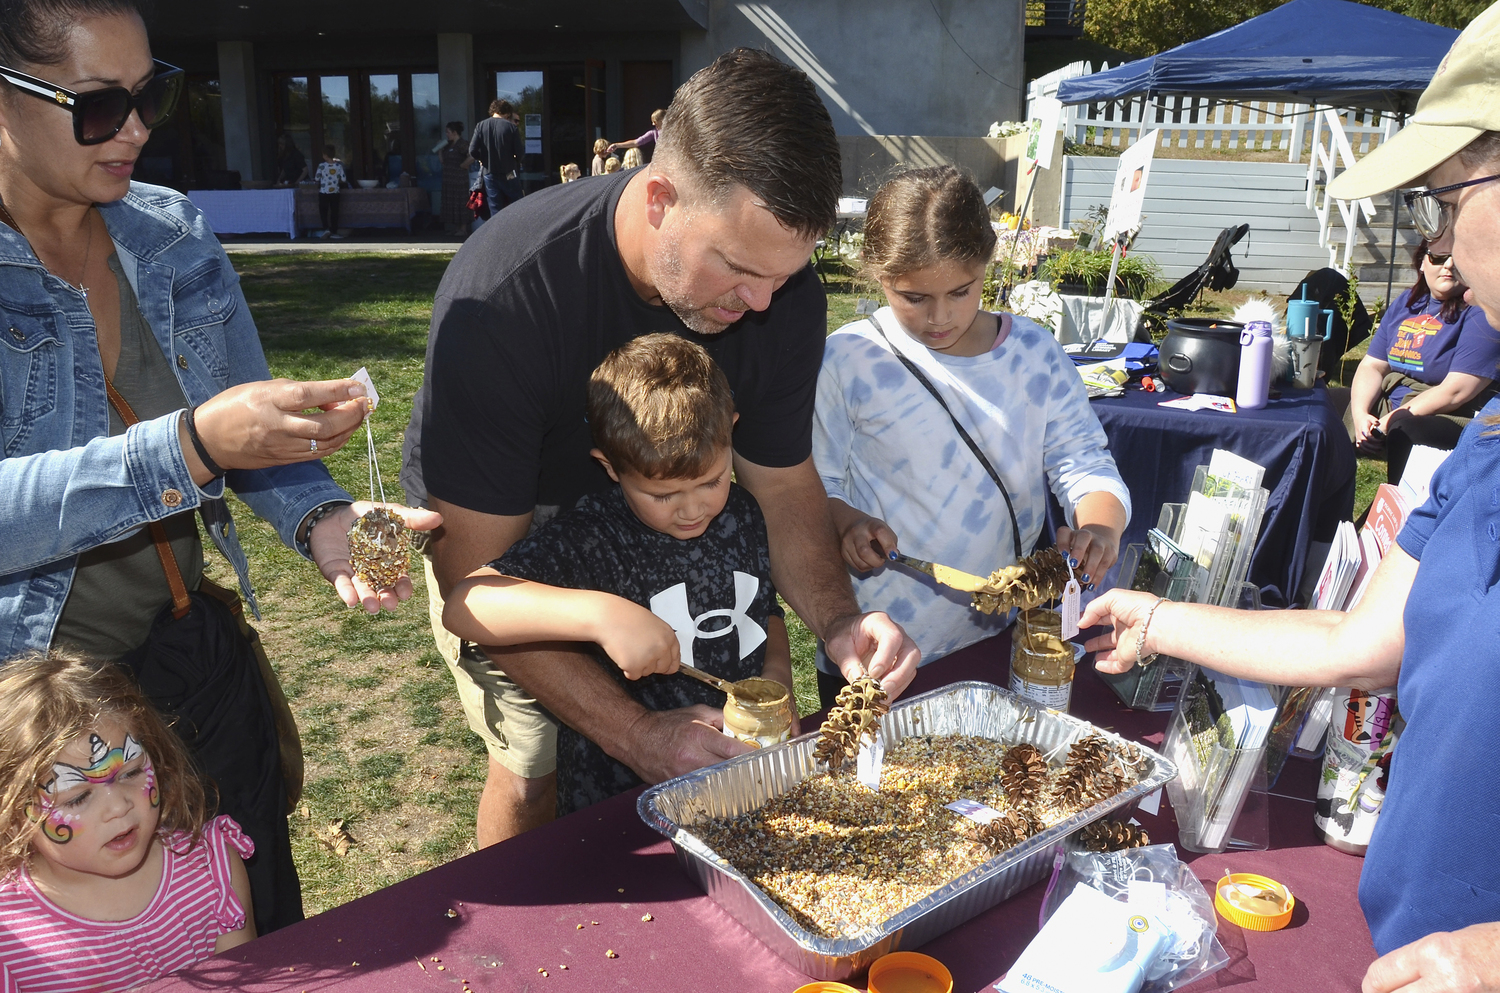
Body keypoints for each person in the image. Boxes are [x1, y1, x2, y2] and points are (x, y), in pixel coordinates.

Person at [401, 48, 919, 848]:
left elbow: (782, 488)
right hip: (522, 533)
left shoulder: (782, 293)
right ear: (659, 198)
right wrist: (635, 734)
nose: (760, 303)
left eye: (782, 278)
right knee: (538, 754)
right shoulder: (505, 297)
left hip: (683, 518)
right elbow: (474, 579)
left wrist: (840, 621)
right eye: (740, 268)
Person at [1082, 8, 1500, 988]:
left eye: (1448, 198)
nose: (1436, 243)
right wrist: (1158, 615)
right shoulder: (1487, 438)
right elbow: (1353, 645)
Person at [0, 0, 439, 933]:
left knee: (258, 927)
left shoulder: (170, 233)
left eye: (151, 94)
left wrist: (323, 522)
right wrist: (188, 445)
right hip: (34, 720)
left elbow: (252, 426)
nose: (137, 129)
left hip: (192, 669)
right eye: (96, 104)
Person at [812, 166, 1129, 703]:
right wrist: (846, 522)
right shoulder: (850, 359)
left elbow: (1083, 460)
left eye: (961, 291)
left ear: (989, 263)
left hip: (999, 641)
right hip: (879, 650)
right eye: (913, 297)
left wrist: (1099, 526)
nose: (940, 316)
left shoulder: (1034, 354)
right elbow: (814, 484)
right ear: (878, 276)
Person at [444, 335, 796, 814]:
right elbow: (466, 603)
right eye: (663, 495)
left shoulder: (744, 513)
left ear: (731, 432)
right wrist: (600, 614)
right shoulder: (593, 535)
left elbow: (765, 612)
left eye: (711, 481)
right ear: (610, 467)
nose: (693, 508)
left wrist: (775, 682)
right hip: (618, 788)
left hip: (738, 770)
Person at [0, 651, 255, 989]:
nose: (118, 806)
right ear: (14, 817)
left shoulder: (211, 867)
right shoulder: (11, 936)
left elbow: (250, 981)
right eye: (77, 797)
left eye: (131, 772)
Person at [1346, 240, 1499, 483]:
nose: (1448, 265)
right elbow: (1372, 365)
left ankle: (1397, 511)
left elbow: (1455, 392)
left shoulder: (1482, 312)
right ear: (1422, 263)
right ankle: (1325, 507)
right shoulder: (1408, 301)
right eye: (1439, 257)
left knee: (1404, 430)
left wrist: (1390, 421)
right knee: (1322, 406)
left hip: (1451, 413)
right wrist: (1360, 414)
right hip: (1393, 400)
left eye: (1458, 259)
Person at [469, 99, 522, 215]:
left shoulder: (481, 126)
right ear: (507, 113)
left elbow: (472, 150)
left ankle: (497, 231)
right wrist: (515, 160)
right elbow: (520, 153)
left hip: (489, 172)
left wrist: (482, 159)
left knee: (495, 206)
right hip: (509, 171)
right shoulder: (511, 127)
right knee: (516, 202)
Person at [438, 121, 474, 237]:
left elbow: (472, 155)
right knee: (451, 202)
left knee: (460, 202)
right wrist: (439, 150)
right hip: (449, 179)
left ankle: (463, 228)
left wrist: (464, 165)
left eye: (448, 132)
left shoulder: (462, 144)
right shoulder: (448, 145)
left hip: (459, 179)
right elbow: (443, 161)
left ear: (454, 132)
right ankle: (456, 227)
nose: (447, 135)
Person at [313, 143, 345, 239]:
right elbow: (343, 179)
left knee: (323, 211)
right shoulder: (339, 166)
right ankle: (334, 230)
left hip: (324, 192)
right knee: (334, 212)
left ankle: (326, 228)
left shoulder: (321, 166)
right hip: (335, 192)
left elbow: (317, 178)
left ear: (325, 155)